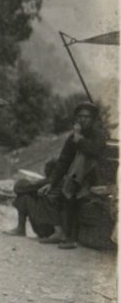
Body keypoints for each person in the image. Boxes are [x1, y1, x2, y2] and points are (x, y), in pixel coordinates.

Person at [37, 102, 106, 249]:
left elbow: (95, 151)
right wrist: (52, 181)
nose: (83, 120)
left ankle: (71, 238)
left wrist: (79, 139)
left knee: (71, 194)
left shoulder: (99, 135)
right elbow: (63, 161)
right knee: (49, 193)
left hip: (92, 180)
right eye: (80, 116)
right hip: (74, 179)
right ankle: (59, 231)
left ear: (93, 119)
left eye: (86, 117)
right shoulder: (73, 138)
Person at [6, 160, 60, 239]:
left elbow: (18, 188)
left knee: (23, 197)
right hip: (56, 226)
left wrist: (27, 182)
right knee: (30, 193)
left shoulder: (49, 182)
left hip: (47, 229)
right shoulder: (61, 182)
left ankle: (20, 228)